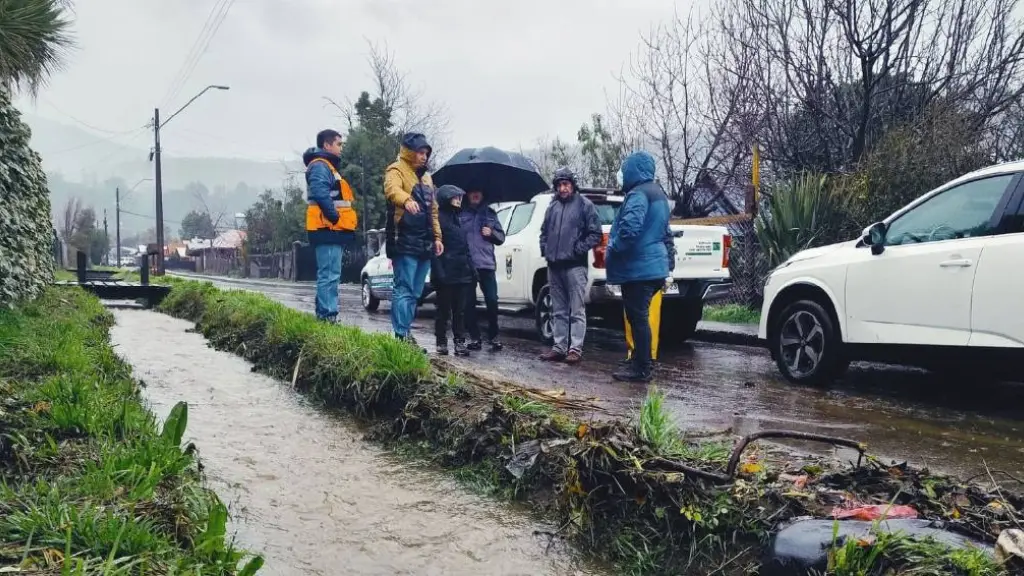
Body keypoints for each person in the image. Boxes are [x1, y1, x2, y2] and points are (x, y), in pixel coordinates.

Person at [607, 151, 674, 383]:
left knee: (638, 317)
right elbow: (666, 233)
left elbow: (629, 229)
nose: (621, 175)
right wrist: (669, 264)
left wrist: (613, 246)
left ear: (632, 171)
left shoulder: (637, 194)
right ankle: (638, 360)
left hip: (638, 268)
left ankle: (642, 367)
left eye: (623, 171)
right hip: (653, 267)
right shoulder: (658, 194)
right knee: (639, 316)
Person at [537, 167, 603, 364]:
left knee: (577, 310)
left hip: (575, 266)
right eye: (559, 185)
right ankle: (559, 347)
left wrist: (577, 249)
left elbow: (596, 234)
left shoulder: (585, 205)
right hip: (554, 265)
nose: (563, 188)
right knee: (558, 310)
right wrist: (545, 250)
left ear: (573, 185)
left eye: (566, 184)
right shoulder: (552, 207)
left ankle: (575, 349)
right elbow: (544, 232)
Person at [383, 132, 443, 348]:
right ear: (409, 152)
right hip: (404, 238)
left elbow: (433, 210)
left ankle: (405, 333)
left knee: (416, 292)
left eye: (426, 153)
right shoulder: (396, 169)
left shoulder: (427, 177)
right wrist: (406, 199)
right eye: (420, 152)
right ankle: (401, 336)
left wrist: (437, 237)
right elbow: (391, 190)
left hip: (425, 241)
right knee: (404, 288)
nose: (424, 156)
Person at [303, 129, 357, 322]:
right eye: (338, 144)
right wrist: (334, 218)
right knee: (330, 275)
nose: (341, 148)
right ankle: (328, 318)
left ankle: (324, 316)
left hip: (329, 229)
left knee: (329, 274)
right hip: (327, 229)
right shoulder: (320, 166)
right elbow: (320, 192)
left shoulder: (324, 166)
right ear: (327, 145)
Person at [460, 187, 506, 351]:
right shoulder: (460, 213)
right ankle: (474, 338)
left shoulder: (491, 214)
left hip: (487, 264)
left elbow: (501, 238)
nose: (475, 194)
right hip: (467, 265)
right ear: (467, 194)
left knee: (492, 301)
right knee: (468, 304)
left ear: (482, 194)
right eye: (472, 192)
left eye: (478, 192)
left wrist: (491, 232)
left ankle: (493, 337)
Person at [432, 185, 475, 356]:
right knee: (443, 310)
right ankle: (441, 341)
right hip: (445, 272)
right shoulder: (439, 220)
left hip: (461, 273)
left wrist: (472, 269)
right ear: (446, 198)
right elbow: (434, 249)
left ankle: (459, 341)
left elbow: (465, 248)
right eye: (455, 197)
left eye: (460, 197)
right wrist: (439, 272)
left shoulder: (459, 219)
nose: (459, 200)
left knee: (460, 310)